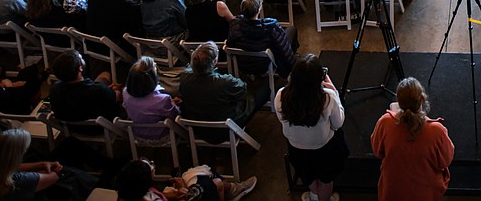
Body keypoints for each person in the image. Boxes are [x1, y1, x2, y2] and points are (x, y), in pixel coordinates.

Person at [275, 54, 347, 201]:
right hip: (325, 149)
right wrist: (335, 93)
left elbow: (282, 120)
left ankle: (314, 195)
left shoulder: (281, 95)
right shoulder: (327, 97)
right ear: (319, 79)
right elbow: (338, 124)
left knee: (307, 176)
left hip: (296, 148)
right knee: (326, 180)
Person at [371, 77, 455, 201]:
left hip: (392, 191)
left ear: (399, 102)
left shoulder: (385, 122)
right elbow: (445, 161)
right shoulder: (437, 130)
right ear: (422, 99)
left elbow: (378, 151)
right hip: (426, 193)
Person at [0, 128, 64, 200]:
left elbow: (3, 166)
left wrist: (41, 164)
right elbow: (55, 175)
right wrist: (42, 168)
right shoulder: (19, 181)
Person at [179, 41, 255, 125]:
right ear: (215, 61)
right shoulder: (225, 82)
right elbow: (243, 89)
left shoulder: (184, 77)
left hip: (197, 129)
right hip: (226, 129)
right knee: (262, 88)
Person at [114, 158, 256, 201]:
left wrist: (173, 194)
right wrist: (183, 189)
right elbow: (188, 196)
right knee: (211, 180)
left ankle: (230, 189)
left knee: (213, 182)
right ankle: (232, 188)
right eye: (150, 165)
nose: (152, 163)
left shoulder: (128, 192)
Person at [49, 49, 121, 122]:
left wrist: (105, 90)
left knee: (105, 75)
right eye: (81, 58)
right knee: (106, 75)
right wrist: (115, 89)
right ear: (80, 69)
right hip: (101, 128)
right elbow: (116, 97)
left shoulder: (54, 89)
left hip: (71, 127)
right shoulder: (99, 90)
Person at [122, 56, 180, 141]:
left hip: (138, 134)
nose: (156, 65)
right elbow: (175, 116)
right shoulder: (163, 100)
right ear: (151, 78)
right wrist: (173, 104)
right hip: (162, 135)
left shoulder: (125, 92)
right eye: (155, 68)